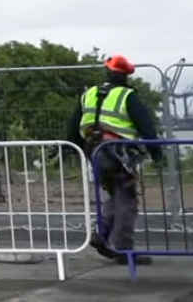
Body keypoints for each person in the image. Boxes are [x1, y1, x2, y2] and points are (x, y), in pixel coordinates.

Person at [65, 53, 161, 266]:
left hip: (95, 152)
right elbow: (147, 127)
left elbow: (73, 128)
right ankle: (123, 248)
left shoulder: (89, 93)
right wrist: (157, 153)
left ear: (107, 72)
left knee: (116, 194)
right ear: (127, 76)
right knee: (127, 199)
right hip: (119, 154)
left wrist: (74, 149)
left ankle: (102, 234)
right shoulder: (128, 96)